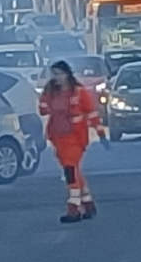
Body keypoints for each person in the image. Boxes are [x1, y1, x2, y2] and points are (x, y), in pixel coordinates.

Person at [39, 60, 106, 223]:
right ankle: (88, 204)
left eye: (58, 74)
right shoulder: (51, 91)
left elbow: (91, 113)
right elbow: (42, 109)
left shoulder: (79, 92)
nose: (56, 78)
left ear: (67, 73)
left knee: (70, 171)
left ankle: (73, 209)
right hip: (58, 137)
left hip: (75, 137)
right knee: (74, 171)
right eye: (53, 74)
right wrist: (45, 99)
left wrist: (99, 131)